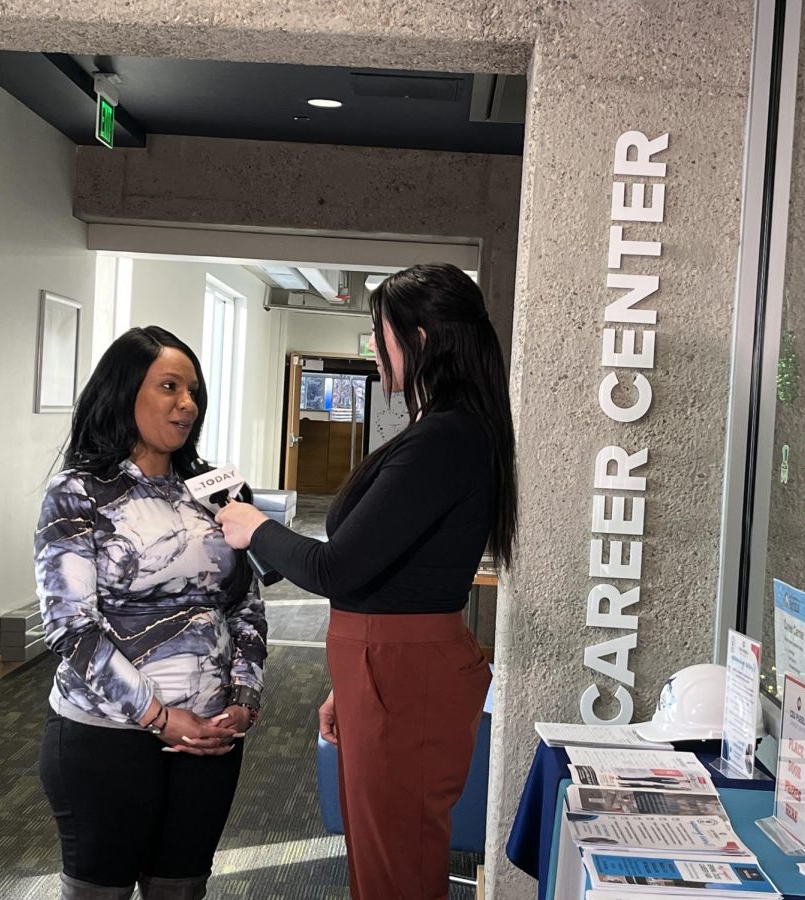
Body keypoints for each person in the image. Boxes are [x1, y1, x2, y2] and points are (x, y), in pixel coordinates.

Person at [217, 263, 517, 900]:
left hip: (402, 672)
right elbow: (379, 576)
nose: (376, 353)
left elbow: (338, 568)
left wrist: (253, 527)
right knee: (384, 859)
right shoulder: (447, 431)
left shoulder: (445, 437)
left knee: (394, 869)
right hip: (389, 669)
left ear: (421, 338)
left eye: (380, 335)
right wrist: (350, 686)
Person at [34, 326, 267, 900]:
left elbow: (248, 605)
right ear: (123, 392)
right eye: (169, 387)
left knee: (180, 890)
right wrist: (161, 717)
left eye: (194, 392)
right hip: (107, 735)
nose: (187, 404)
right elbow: (71, 628)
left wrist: (243, 701)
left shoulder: (219, 488)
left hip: (209, 738)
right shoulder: (79, 491)